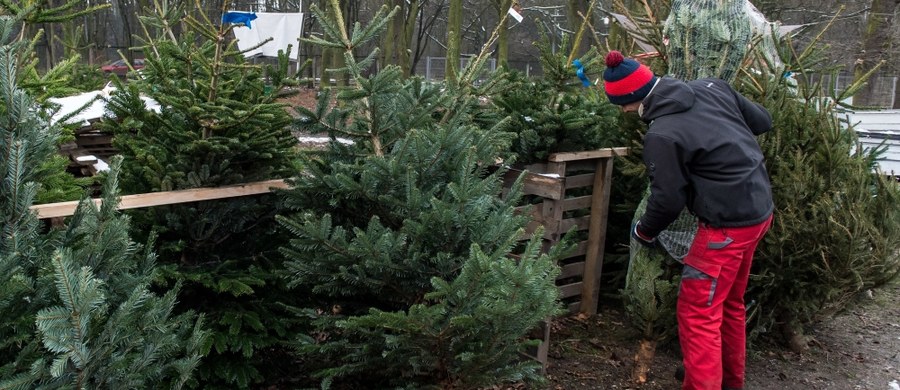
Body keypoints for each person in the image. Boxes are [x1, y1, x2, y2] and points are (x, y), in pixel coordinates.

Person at [602, 50, 775, 390]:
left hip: (725, 229)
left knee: (699, 314)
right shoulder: (714, 87)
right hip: (759, 211)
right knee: (730, 304)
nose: (624, 113)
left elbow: (668, 199)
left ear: (631, 99)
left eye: (621, 106)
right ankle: (730, 383)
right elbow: (762, 121)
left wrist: (644, 231)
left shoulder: (662, 134)